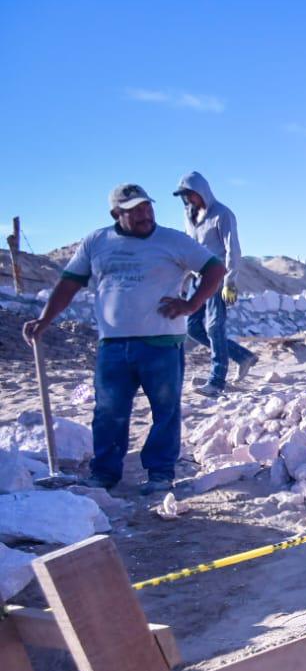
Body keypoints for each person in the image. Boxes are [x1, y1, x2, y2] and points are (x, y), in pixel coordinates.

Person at [22, 184, 223, 495]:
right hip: (113, 345)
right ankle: (104, 474)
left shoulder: (173, 240)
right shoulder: (97, 242)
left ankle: (160, 473)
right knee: (108, 411)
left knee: (165, 410)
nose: (145, 214)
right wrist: (45, 320)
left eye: (147, 207)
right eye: (135, 210)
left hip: (161, 344)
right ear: (117, 213)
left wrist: (191, 304)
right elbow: (69, 283)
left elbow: (215, 269)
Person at [173, 171, 257, 397]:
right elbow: (189, 247)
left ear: (201, 191)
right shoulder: (188, 216)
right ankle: (243, 356)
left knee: (214, 326)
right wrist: (185, 278)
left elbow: (233, 249)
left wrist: (230, 280)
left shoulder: (223, 214)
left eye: (190, 194)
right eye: (184, 196)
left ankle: (216, 381)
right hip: (197, 278)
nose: (188, 200)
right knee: (193, 327)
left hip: (218, 276)